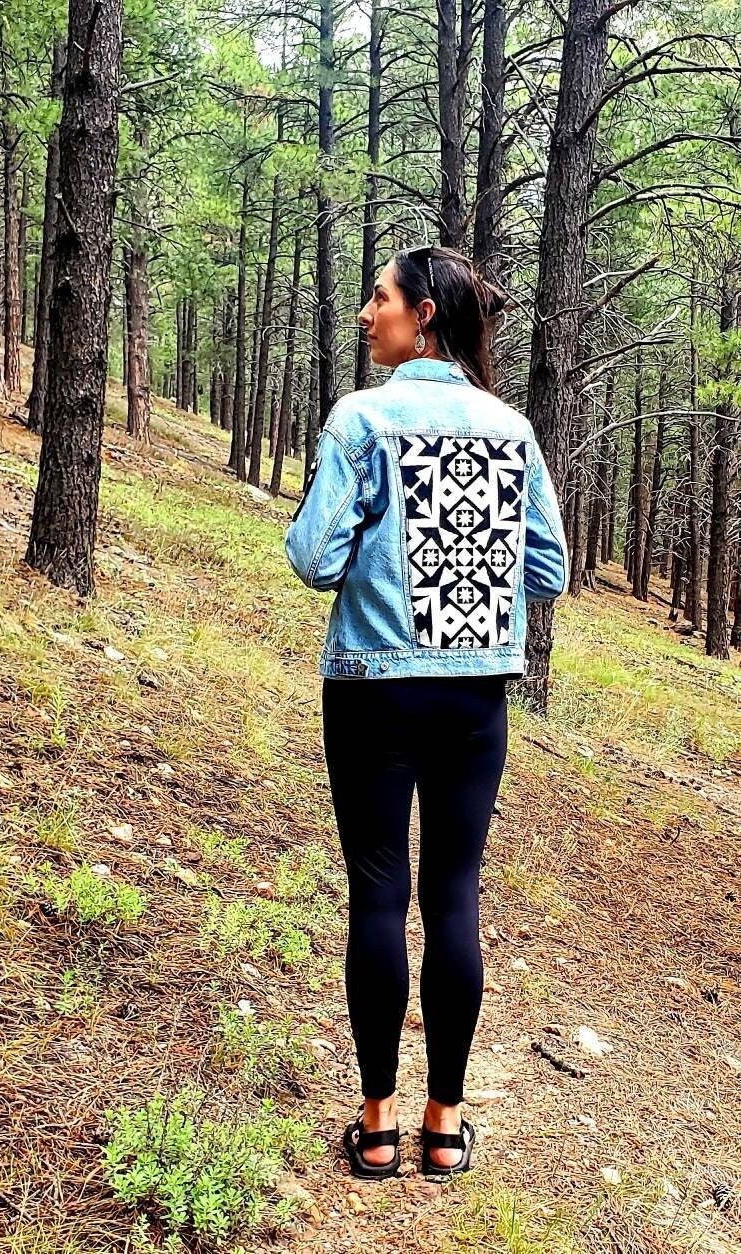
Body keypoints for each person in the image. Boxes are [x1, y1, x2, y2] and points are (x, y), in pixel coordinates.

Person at [284, 245, 567, 1181]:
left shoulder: (364, 419)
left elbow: (314, 557)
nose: (368, 314)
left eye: (381, 298)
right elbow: (547, 570)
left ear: (426, 317)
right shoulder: (509, 428)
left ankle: (375, 1126)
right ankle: (445, 1128)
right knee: (453, 894)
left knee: (376, 888)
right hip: (474, 696)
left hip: (371, 690)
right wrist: (468, 597)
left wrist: (375, 555)